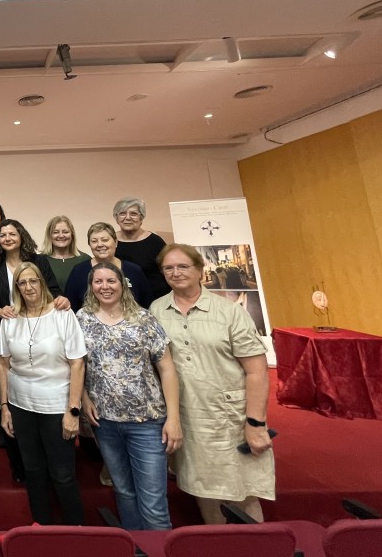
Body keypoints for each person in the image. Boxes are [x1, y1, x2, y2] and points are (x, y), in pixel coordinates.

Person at [150, 243, 274, 524]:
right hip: (187, 415)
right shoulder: (157, 310)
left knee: (241, 489)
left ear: (199, 270)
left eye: (183, 266)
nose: (176, 272)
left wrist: (255, 423)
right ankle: (216, 543)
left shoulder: (228, 312)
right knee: (203, 487)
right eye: (168, 268)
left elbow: (256, 372)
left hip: (228, 415)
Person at [78, 262, 183, 531]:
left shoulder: (143, 318)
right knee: (123, 492)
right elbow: (77, 365)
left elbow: (167, 368)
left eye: (111, 281)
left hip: (146, 421)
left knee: (153, 501)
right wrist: (84, 398)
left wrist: (173, 418)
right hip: (105, 422)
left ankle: (158, 547)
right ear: (91, 286)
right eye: (98, 281)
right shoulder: (82, 319)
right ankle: (136, 545)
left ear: (123, 283)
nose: (105, 287)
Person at [0, 262, 86, 525]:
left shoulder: (62, 314)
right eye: (22, 283)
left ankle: (75, 532)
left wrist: (73, 410)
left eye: (33, 281)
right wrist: (4, 407)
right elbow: (3, 362)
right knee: (33, 472)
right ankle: (41, 530)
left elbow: (77, 362)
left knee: (63, 474)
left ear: (42, 282)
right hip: (21, 405)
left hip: (56, 405)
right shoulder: (11, 318)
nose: (28, 287)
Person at [0, 219, 69, 465]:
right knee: (5, 386)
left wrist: (61, 300)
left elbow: (52, 289)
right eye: (3, 235)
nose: (8, 238)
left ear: (21, 235)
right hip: (8, 329)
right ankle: (15, 451)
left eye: (12, 233)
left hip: (42, 328)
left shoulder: (39, 261)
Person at [64, 222, 153, 310]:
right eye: (94, 241)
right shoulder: (79, 271)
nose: (100, 244)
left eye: (105, 240)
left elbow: (147, 305)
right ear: (89, 245)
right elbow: (70, 307)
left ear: (116, 242)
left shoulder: (134, 270)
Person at [113, 197, 169, 300]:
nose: (128, 217)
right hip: (121, 302)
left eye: (133, 214)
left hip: (155, 300)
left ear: (141, 218)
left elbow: (168, 270)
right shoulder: (110, 242)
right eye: (122, 213)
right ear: (116, 218)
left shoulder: (155, 242)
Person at [40, 215, 92, 293]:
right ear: (49, 235)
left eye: (65, 232)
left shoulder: (85, 259)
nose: (61, 235)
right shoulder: (40, 261)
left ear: (72, 234)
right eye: (55, 232)